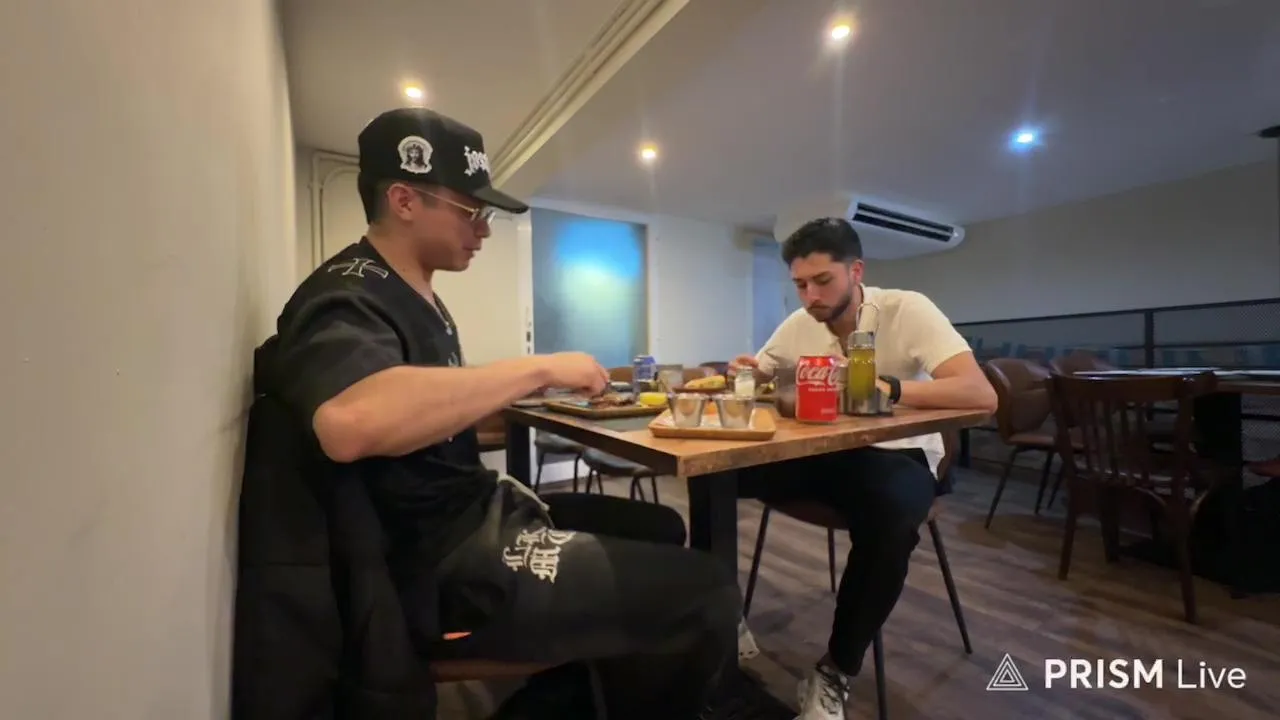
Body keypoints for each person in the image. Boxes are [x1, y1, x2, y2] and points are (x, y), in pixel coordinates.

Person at [265, 107, 739, 719]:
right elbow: (348, 421)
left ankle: (585, 697)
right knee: (707, 592)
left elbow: (424, 403)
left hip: (475, 518)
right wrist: (537, 369)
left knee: (659, 529)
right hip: (439, 568)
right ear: (404, 200)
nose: (483, 230)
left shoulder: (416, 295)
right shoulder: (347, 293)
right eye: (470, 211)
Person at [730, 218, 997, 720]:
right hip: (818, 452)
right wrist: (748, 372)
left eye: (822, 281)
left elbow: (981, 395)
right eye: (800, 285)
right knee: (715, 474)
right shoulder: (802, 321)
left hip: (897, 453)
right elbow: (762, 370)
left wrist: (890, 388)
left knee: (892, 518)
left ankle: (836, 668)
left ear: (856, 271)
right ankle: (722, 612)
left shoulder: (905, 308)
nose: (810, 296)